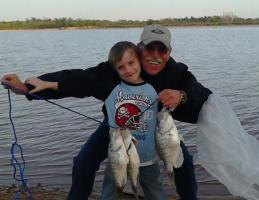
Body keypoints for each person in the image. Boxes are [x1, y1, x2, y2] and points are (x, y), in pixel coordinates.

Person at [1, 24, 212, 200]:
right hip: (115, 126)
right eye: (149, 49)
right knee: (83, 163)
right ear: (139, 49)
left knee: (183, 165)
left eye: (162, 50)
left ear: (169, 53)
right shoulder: (119, 67)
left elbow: (202, 95)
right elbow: (81, 79)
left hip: (157, 128)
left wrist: (181, 95)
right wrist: (26, 88)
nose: (155, 55)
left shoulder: (176, 73)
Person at [25, 41, 167, 199]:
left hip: (148, 159)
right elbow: (78, 86)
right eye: (121, 67)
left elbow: (172, 108)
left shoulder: (156, 89)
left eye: (131, 63)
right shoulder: (110, 88)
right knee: (109, 193)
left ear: (139, 60)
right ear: (115, 70)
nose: (128, 69)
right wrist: (48, 83)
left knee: (155, 193)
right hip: (117, 157)